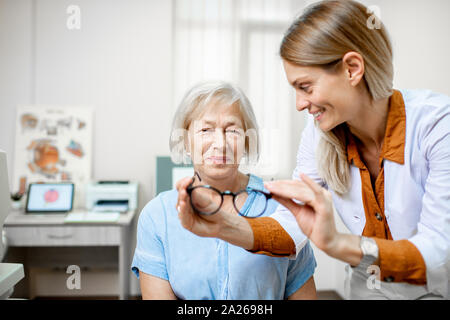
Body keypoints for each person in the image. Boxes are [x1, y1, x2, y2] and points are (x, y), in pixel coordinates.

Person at [176, 0, 450, 299]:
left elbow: (437, 248)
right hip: (369, 285)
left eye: (305, 87)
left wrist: (336, 243)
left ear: (352, 69)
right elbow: (290, 228)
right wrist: (220, 227)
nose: (299, 104)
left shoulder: (437, 126)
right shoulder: (320, 134)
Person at [131, 81, 317, 300]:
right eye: (206, 130)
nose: (220, 143)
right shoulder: (157, 216)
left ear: (247, 142)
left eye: (232, 131)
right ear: (186, 141)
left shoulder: (283, 210)